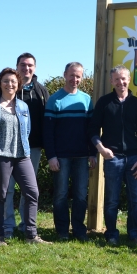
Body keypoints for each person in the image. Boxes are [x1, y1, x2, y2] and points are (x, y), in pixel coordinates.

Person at [0, 67, 51, 246]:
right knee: (0, 195)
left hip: (22, 156)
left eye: (13, 81)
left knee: (32, 192)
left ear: (18, 85)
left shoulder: (23, 106)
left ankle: (31, 235)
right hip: (0, 156)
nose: (9, 84)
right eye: (5, 81)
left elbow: (27, 129)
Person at [88, 65, 137, 246]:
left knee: (135, 200)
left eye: (123, 79)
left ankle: (135, 234)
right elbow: (92, 130)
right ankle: (111, 234)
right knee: (112, 201)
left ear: (129, 80)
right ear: (111, 81)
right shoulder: (104, 102)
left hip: (134, 159)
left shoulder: (136, 103)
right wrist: (101, 149)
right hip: (112, 158)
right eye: (117, 79)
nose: (120, 82)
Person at [44, 62, 97, 241]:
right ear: (65, 75)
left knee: (81, 195)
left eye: (78, 76)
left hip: (82, 156)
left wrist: (92, 153)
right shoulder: (55, 99)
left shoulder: (86, 100)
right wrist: (51, 156)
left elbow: (91, 130)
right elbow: (48, 132)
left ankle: (79, 230)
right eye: (72, 75)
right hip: (61, 156)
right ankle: (62, 231)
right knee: (60, 195)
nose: (75, 79)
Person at [3, 52, 50, 238]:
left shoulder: (42, 92)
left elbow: (47, 121)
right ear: (17, 67)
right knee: (7, 189)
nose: (26, 68)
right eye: (23, 65)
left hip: (32, 149)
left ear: (35, 68)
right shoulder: (7, 88)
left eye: (30, 65)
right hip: (7, 148)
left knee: (28, 189)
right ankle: (7, 226)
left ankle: (25, 225)